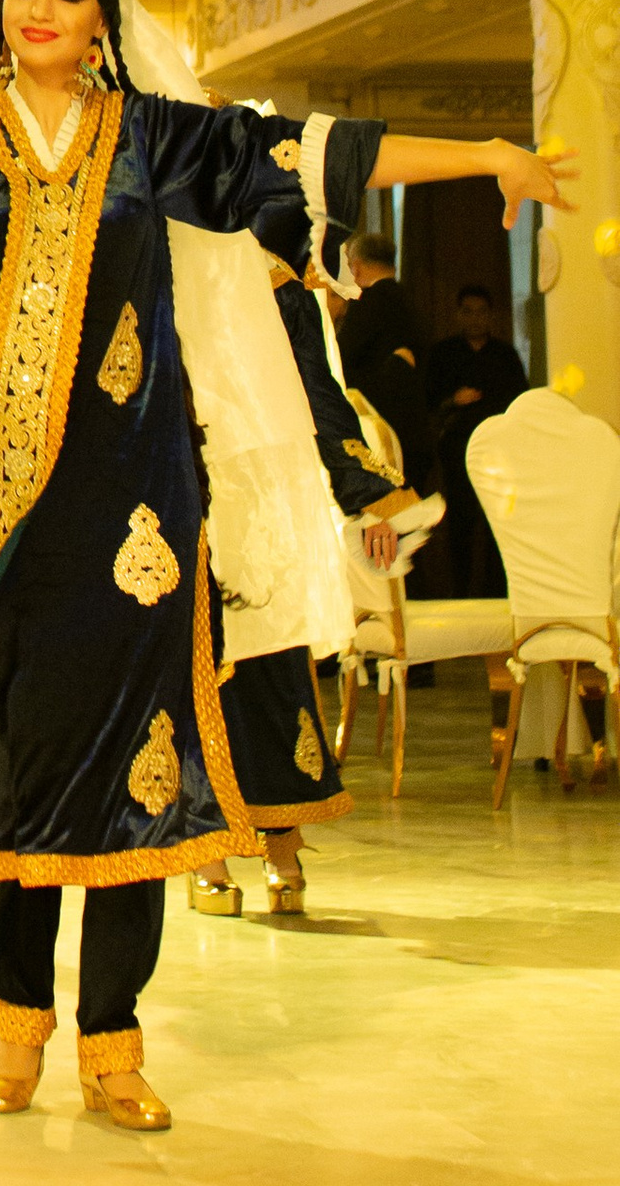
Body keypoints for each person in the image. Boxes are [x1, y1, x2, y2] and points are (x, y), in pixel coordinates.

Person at [0, 0, 570, 1132]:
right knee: (12, 765)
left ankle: (113, 1046)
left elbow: (307, 145)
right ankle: (16, 1026)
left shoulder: (157, 138)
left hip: (132, 521)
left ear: (101, 20)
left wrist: (483, 154)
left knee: (137, 769)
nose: (39, 9)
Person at [186, 211, 417, 921]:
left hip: (258, 494)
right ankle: (207, 849)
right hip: (172, 490)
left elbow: (323, 395)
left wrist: (370, 492)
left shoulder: (280, 280)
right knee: (186, 675)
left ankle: (282, 848)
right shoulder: (149, 264)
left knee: (270, 668)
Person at [426, 281, 527, 592]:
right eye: (468, 312)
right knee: (461, 522)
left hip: (499, 452)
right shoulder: (444, 353)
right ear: (458, 315)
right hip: (458, 450)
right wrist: (453, 400)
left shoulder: (505, 355)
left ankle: (497, 592)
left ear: (491, 316)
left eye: (481, 312)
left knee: (499, 523)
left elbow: (521, 403)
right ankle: (459, 593)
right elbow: (428, 401)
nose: (475, 319)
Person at [337, 236, 433, 495]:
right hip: (416, 429)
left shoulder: (368, 304)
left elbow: (340, 365)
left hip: (382, 434)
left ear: (355, 267)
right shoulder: (413, 302)